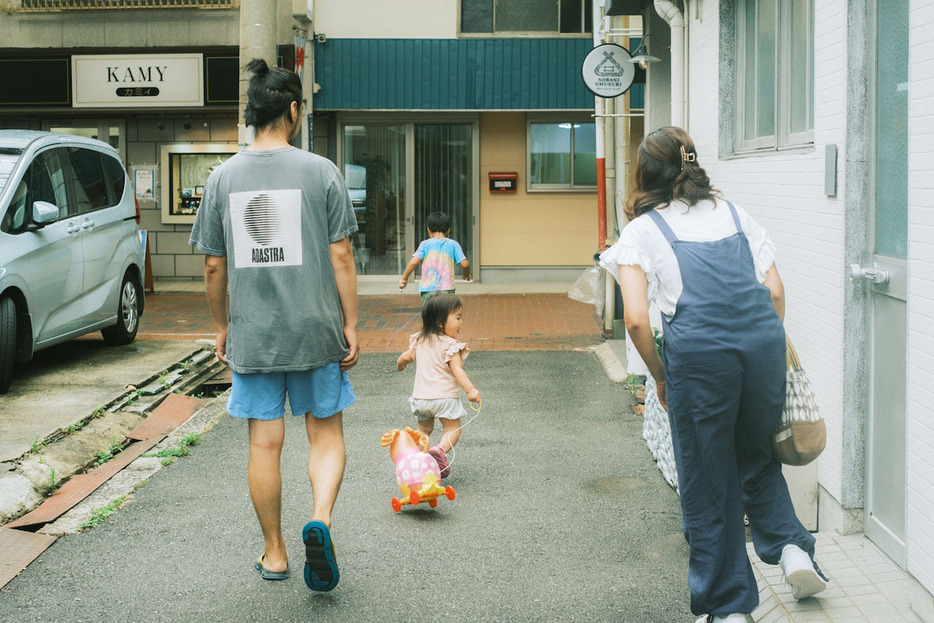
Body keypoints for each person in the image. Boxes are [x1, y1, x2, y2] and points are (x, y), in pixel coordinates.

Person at [600, 127, 828, 623]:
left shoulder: (642, 231)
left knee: (707, 477)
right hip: (761, 348)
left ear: (646, 173)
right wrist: (761, 352)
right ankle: (792, 550)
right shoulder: (734, 213)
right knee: (755, 452)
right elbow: (774, 292)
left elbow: (636, 319)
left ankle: (728, 608)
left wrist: (660, 376)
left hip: (701, 359)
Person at [188, 58, 358, 593]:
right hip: (315, 326)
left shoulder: (222, 177)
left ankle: (276, 553)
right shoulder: (321, 170)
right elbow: (342, 255)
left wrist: (222, 326)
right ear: (292, 110)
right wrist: (351, 324)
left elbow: (214, 264)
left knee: (265, 443)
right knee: (324, 432)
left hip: (255, 330)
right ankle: (322, 522)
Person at [396, 293, 481, 478]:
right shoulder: (450, 345)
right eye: (458, 318)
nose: (461, 322)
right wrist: (470, 389)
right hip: (444, 399)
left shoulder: (420, 340)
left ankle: (416, 463)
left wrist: (400, 363)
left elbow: (405, 357)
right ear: (440, 323)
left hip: (421, 399)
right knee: (452, 429)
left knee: (423, 430)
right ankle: (440, 451)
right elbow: (457, 370)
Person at [399, 212, 470, 305]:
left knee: (430, 316)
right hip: (447, 289)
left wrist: (404, 279)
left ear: (428, 229)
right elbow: (465, 264)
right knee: (446, 316)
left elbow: (413, 262)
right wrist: (466, 275)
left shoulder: (425, 244)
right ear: (448, 230)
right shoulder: (454, 244)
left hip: (428, 290)